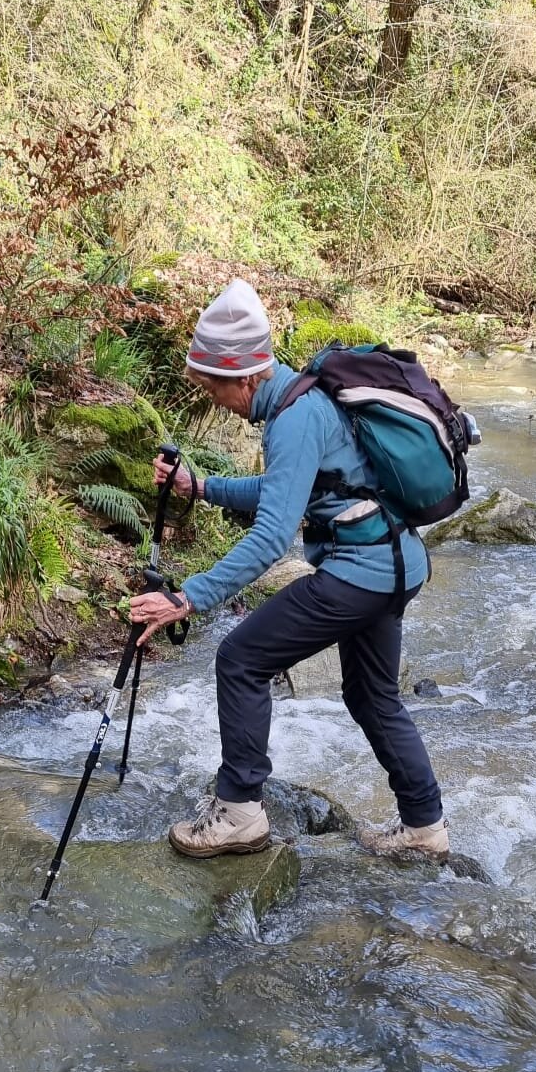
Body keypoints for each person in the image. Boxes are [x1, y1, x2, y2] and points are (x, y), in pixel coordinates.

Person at [129, 279, 448, 862]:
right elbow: (287, 489)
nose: (214, 399)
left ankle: (240, 813)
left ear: (247, 375)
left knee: (242, 659)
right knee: (374, 697)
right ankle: (425, 827)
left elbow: (274, 534)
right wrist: (199, 486)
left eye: (214, 388)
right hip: (395, 563)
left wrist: (189, 597)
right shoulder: (297, 400)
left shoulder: (293, 418)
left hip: (361, 571)